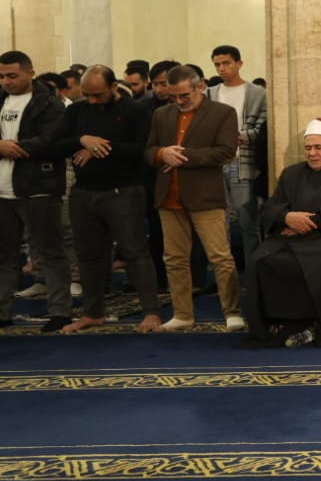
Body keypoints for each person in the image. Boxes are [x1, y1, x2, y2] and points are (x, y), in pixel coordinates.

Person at [241, 118, 321, 346]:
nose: (312, 153)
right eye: (308, 148)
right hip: (293, 235)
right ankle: (279, 325)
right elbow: (270, 207)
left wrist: (309, 223)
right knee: (260, 259)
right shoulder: (292, 174)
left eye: (318, 147)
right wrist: (286, 217)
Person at [50, 65, 161, 333]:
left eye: (98, 95)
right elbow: (54, 143)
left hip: (124, 191)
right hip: (83, 193)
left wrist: (99, 147)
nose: (92, 101)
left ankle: (151, 312)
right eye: (87, 94)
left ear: (113, 87)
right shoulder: (77, 110)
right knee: (88, 256)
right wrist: (82, 139)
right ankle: (93, 313)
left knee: (135, 252)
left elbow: (141, 149)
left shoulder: (135, 110)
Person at [145, 64, 243, 332]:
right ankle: (182, 314)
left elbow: (225, 152)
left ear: (200, 86)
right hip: (169, 196)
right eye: (173, 96)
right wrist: (161, 154)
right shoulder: (161, 114)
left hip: (205, 196)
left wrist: (182, 156)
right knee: (174, 259)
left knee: (220, 257)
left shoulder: (223, 113)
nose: (179, 101)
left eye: (184, 95)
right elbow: (149, 150)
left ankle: (232, 312)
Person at [0, 50, 72, 331]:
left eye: (12, 75)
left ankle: (60, 311)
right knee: (4, 255)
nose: (6, 81)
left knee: (50, 251)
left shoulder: (49, 103)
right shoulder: (1, 98)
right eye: (2, 76)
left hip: (38, 188)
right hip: (3, 190)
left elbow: (53, 141)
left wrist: (14, 148)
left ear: (30, 73)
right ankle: (3, 312)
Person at [208, 45, 268, 273]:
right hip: (216, 163)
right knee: (218, 224)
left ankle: (254, 274)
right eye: (217, 65)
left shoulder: (256, 93)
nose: (221, 69)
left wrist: (241, 136)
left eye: (226, 63)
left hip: (242, 161)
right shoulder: (211, 93)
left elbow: (264, 126)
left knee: (247, 222)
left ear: (239, 64)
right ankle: (224, 275)